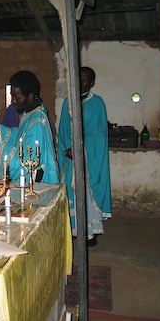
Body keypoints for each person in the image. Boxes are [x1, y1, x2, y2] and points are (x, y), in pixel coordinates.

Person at [58, 66, 112, 245]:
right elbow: (64, 130)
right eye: (78, 78)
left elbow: (98, 134)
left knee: (87, 192)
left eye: (85, 79)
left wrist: (80, 149)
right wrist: (68, 150)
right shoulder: (68, 102)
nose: (81, 82)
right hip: (71, 158)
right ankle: (72, 231)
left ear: (92, 83)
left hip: (89, 158)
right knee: (71, 191)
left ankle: (90, 233)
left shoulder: (97, 103)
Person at [0, 71, 59, 184]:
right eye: (12, 96)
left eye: (17, 97)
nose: (13, 101)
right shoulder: (30, 113)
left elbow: (25, 163)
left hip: (34, 184)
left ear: (30, 96)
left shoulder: (37, 122)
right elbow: (22, 136)